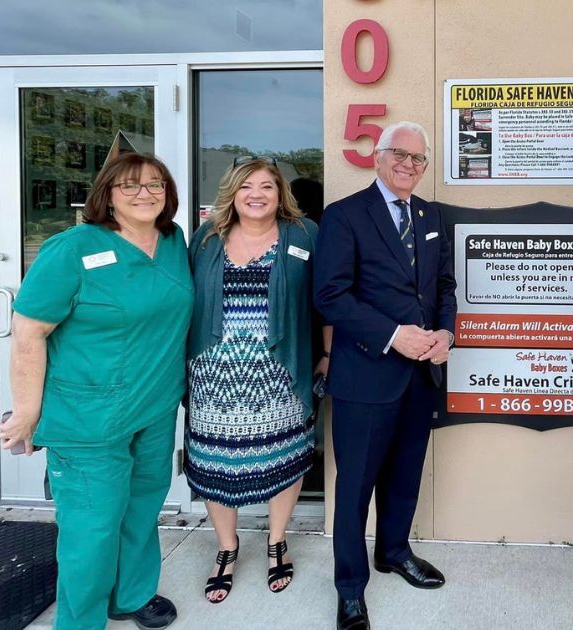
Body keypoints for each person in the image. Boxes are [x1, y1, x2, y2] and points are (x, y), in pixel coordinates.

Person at [0, 152, 191, 630]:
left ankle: (131, 595)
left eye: (156, 185)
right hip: (87, 417)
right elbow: (28, 332)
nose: (145, 193)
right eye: (130, 185)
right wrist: (26, 411)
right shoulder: (71, 250)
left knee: (143, 506)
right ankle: (81, 621)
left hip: (154, 407)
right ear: (106, 193)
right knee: (92, 528)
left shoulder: (172, 240)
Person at [314, 121, 457, 630]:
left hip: (420, 377)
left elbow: (443, 285)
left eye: (419, 159)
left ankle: (394, 551)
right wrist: (394, 335)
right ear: (377, 157)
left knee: (404, 477)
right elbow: (330, 296)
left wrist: (445, 334)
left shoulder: (431, 215)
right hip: (366, 377)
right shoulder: (345, 216)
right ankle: (350, 587)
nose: (409, 165)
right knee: (354, 487)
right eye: (400, 154)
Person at [185, 157, 320, 603]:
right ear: (232, 192)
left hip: (280, 372)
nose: (257, 194)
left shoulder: (304, 235)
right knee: (214, 464)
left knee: (284, 458)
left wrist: (328, 354)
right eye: (247, 186)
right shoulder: (205, 239)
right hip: (213, 372)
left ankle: (276, 539)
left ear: (280, 193)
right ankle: (227, 546)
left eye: (267, 186)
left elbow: (326, 300)